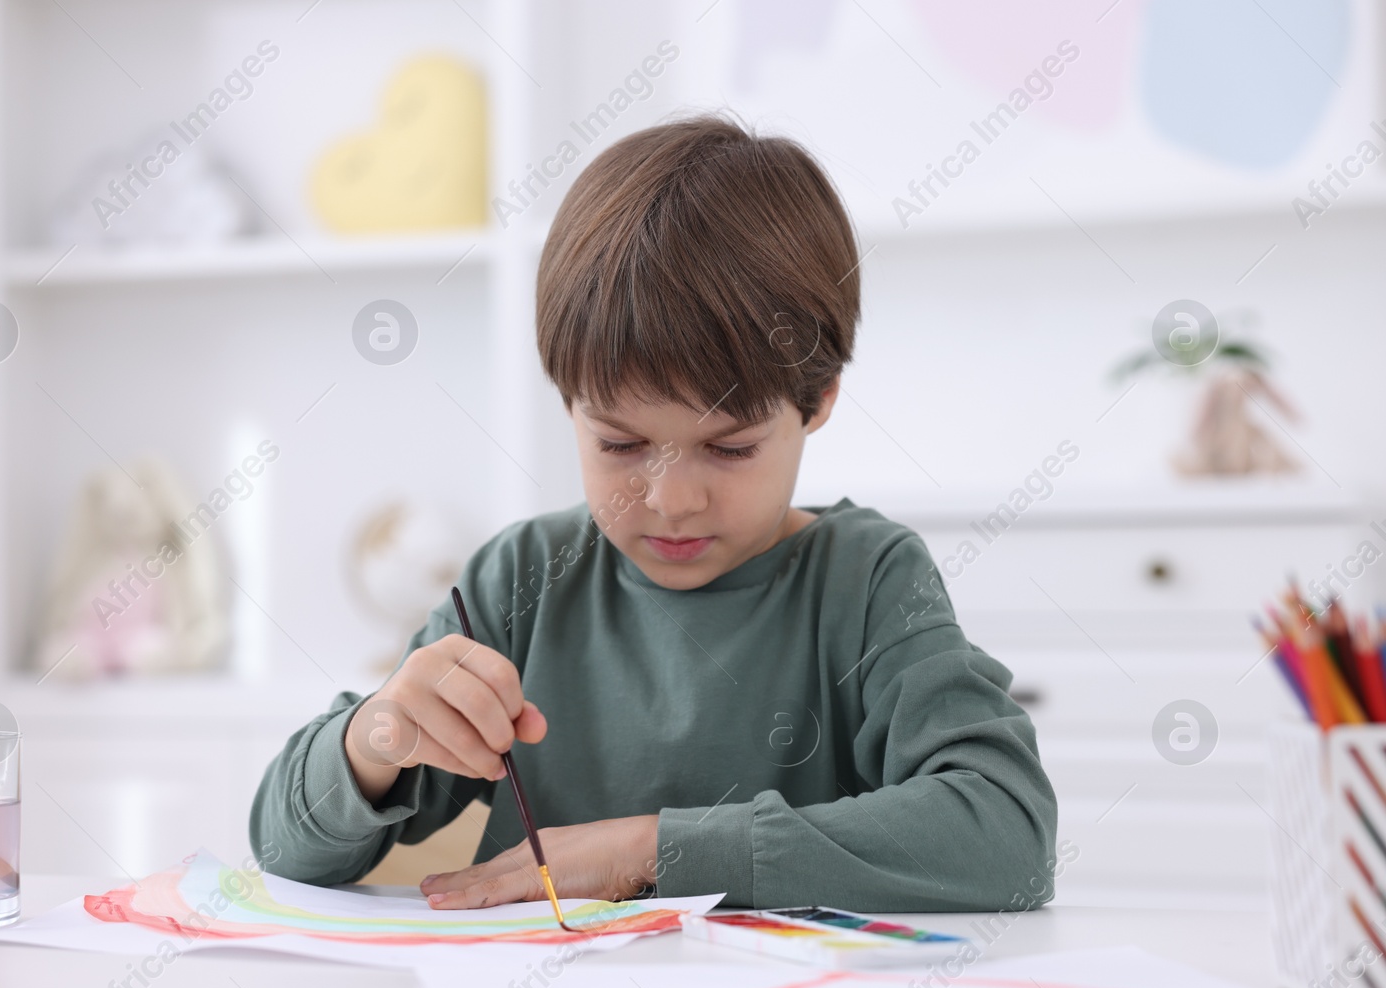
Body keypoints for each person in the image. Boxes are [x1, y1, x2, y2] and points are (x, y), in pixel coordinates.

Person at [250, 113, 1058, 912]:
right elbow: (286, 847)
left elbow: (1007, 831)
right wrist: (373, 739)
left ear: (816, 402)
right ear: (568, 404)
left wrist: (651, 851)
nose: (670, 499)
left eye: (730, 448)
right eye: (621, 444)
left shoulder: (868, 580)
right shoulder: (523, 579)